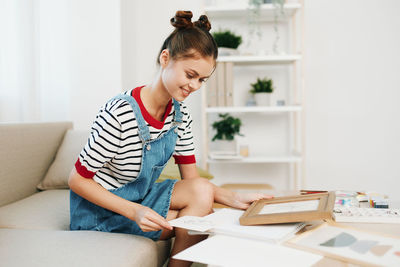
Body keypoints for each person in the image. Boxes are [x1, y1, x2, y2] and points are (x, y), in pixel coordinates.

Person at [68, 10, 273, 267]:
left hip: (141, 198)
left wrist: (231, 197)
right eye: (190, 75)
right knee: (197, 219)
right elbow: (77, 179)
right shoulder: (119, 113)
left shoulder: (179, 114)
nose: (195, 86)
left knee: (200, 207)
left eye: (202, 80)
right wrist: (135, 211)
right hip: (100, 212)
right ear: (165, 59)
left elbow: (194, 184)